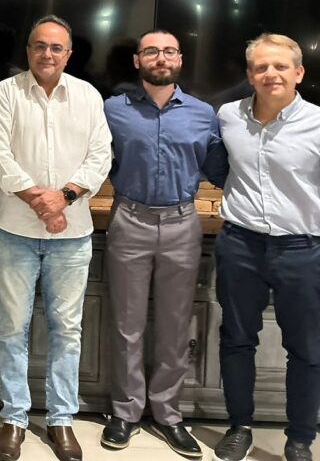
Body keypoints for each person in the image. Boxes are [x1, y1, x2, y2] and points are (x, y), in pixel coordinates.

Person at [0, 14, 111, 461]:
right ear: (28, 51)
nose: (47, 54)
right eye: (39, 45)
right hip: (12, 232)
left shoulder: (88, 96)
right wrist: (41, 202)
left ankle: (61, 419)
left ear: (68, 54)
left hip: (72, 237)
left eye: (56, 47)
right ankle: (15, 417)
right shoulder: (6, 93)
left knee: (67, 331)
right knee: (11, 329)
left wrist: (65, 197)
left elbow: (100, 155)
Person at [101, 30, 227, 459]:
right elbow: (96, 157)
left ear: (180, 59)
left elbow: (221, 169)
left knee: (175, 325)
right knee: (127, 324)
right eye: (152, 51)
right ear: (137, 60)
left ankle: (168, 414)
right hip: (129, 219)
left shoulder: (203, 114)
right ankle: (125, 411)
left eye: (169, 51)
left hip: (182, 222)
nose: (161, 57)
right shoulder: (113, 109)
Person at [213, 33, 320, 461]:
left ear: (299, 72)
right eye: (261, 67)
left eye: (280, 66)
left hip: (302, 248)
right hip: (240, 243)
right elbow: (218, 166)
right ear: (249, 75)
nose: (270, 73)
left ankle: (300, 438)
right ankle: (239, 426)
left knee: (306, 348)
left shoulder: (317, 122)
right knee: (237, 339)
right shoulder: (227, 116)